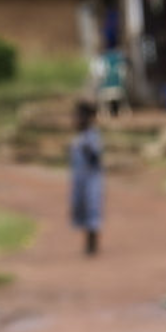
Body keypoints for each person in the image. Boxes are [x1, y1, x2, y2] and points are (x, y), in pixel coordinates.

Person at [69, 101, 104, 257]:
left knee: (92, 209)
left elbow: (96, 157)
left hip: (92, 180)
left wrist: (87, 148)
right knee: (81, 208)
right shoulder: (79, 138)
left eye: (78, 117)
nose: (75, 120)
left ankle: (92, 245)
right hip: (80, 180)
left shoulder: (92, 137)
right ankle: (88, 243)